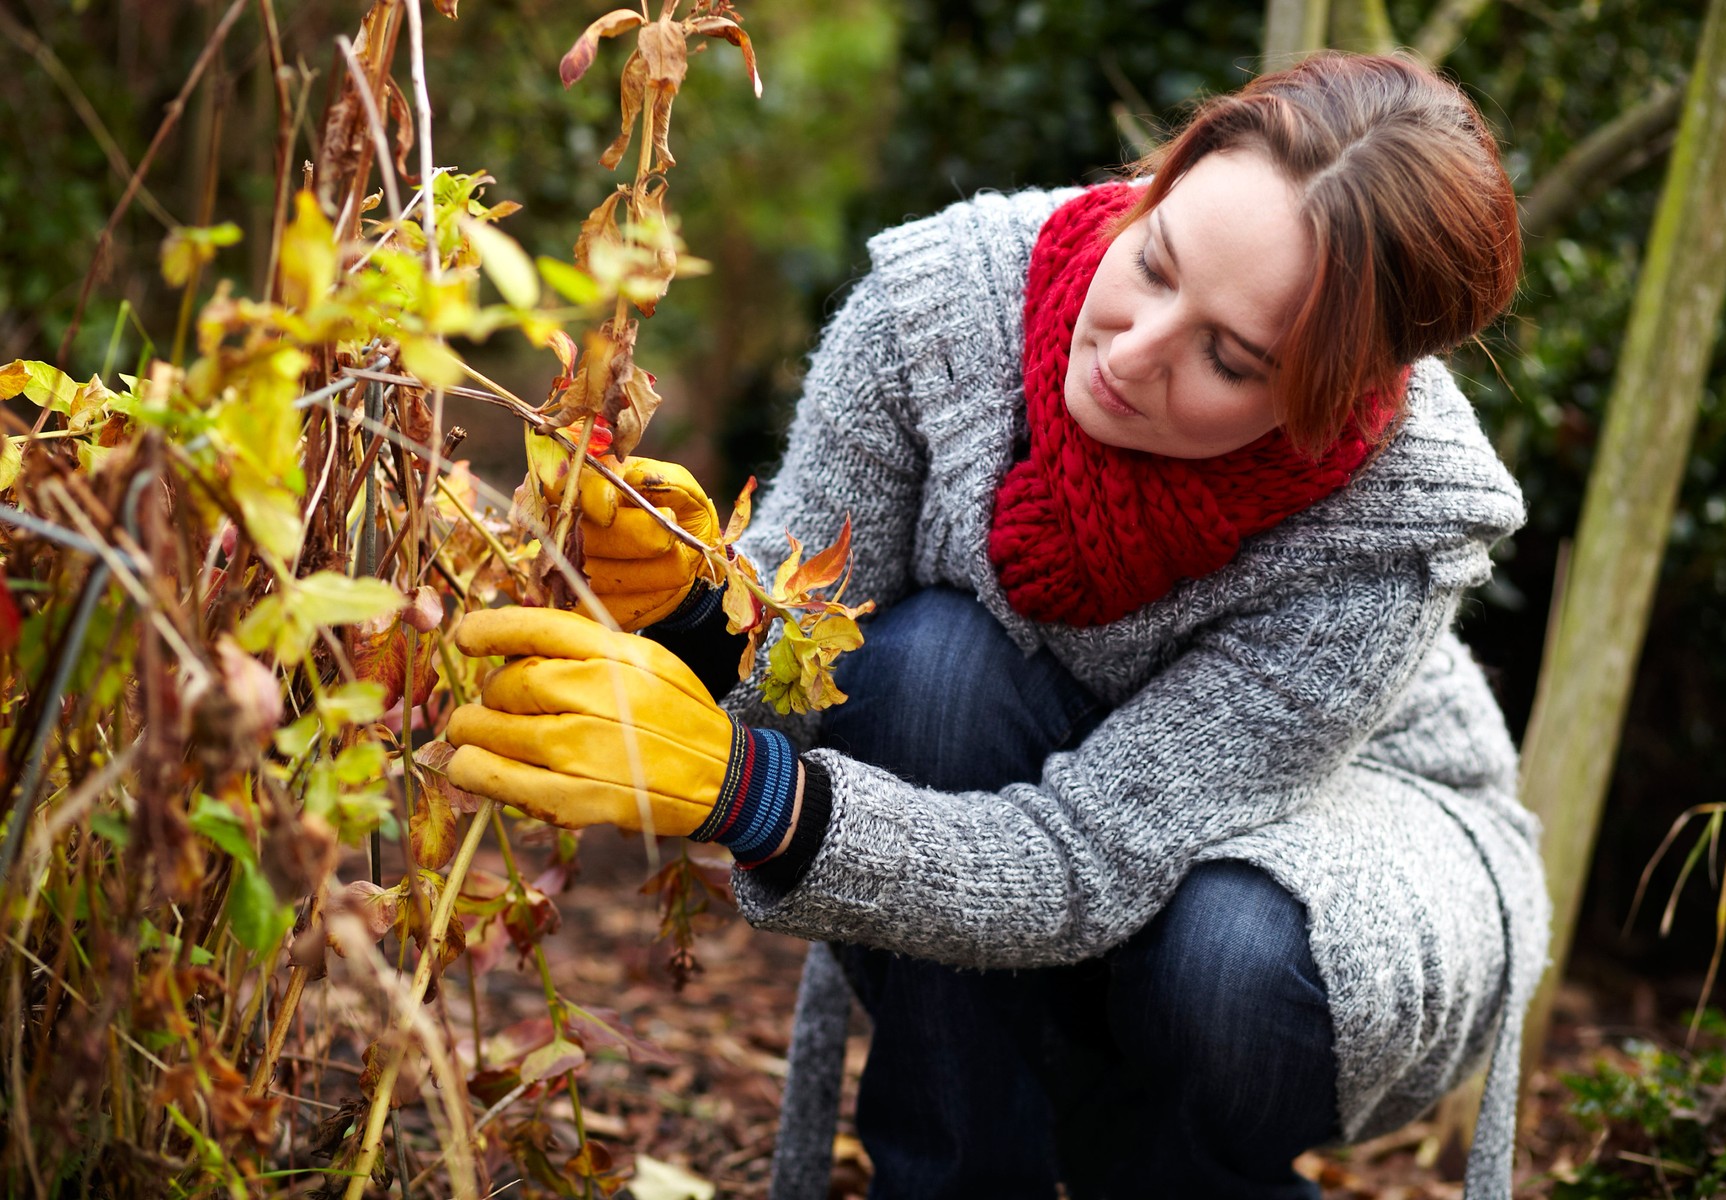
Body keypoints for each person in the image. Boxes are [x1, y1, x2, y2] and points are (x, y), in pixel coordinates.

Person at [445, 51, 1550, 1200]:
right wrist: (689, 609)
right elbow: (800, 659)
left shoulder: (1395, 524)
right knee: (926, 672)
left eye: (1230, 358)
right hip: (1058, 828)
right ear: (1154, 185)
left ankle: (1170, 1177)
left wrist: (755, 797)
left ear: (1331, 402)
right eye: (1154, 261)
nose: (1129, 353)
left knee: (1234, 951)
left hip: (1356, 839)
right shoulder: (946, 309)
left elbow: (1082, 861)